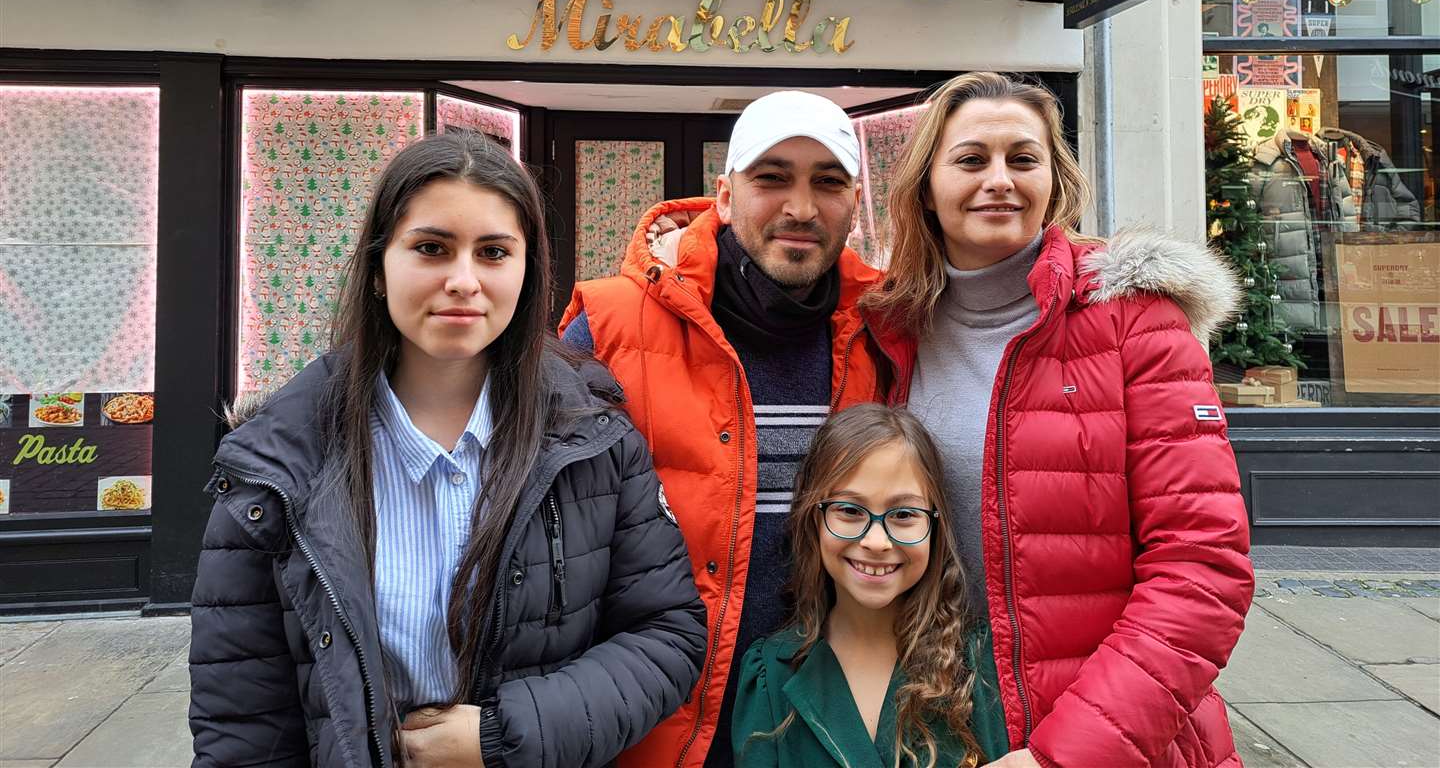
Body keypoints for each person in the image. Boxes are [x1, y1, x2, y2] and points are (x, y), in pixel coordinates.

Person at [189, 131, 707, 768]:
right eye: (432, 248)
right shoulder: (275, 467)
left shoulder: (593, 440)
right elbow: (243, 718)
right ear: (380, 268)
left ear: (526, 271)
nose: (463, 281)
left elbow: (667, 636)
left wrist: (503, 735)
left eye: (493, 252)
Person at [865, 72, 1254, 768]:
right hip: (932, 719)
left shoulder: (1136, 324)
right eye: (971, 159)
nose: (999, 180)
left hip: (1110, 736)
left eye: (1023, 158)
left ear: (1054, 180)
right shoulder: (888, 328)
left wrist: (1068, 755)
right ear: (926, 185)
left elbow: (1202, 570)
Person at [560, 91, 891, 767]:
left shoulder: (888, 330)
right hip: (650, 722)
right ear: (725, 195)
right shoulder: (610, 324)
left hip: (818, 724)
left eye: (827, 182)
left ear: (854, 204)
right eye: (772, 177)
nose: (801, 207)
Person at [731, 405, 1009, 768]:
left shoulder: (978, 665)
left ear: (935, 526)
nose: (876, 541)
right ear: (813, 519)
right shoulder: (771, 672)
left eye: (904, 515)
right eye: (849, 510)